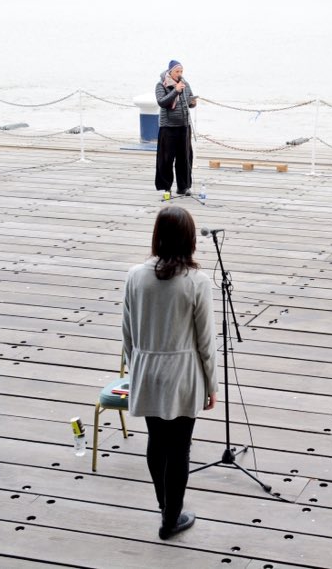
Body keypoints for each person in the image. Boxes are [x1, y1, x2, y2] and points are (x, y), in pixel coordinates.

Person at [121, 205, 217, 539]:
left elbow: (128, 333)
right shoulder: (196, 282)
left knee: (157, 443)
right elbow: (205, 341)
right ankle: (171, 518)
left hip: (146, 369)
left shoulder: (135, 275)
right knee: (180, 448)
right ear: (190, 239)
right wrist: (211, 384)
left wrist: (136, 369)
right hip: (182, 373)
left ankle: (165, 507)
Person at [155, 59, 199, 200]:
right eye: (177, 71)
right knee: (167, 159)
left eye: (181, 71)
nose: (179, 74)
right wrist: (175, 91)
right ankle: (166, 188)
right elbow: (162, 102)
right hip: (168, 127)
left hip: (184, 126)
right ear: (170, 72)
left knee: (185, 157)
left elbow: (189, 102)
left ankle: (183, 186)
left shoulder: (185, 84)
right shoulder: (161, 85)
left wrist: (193, 102)